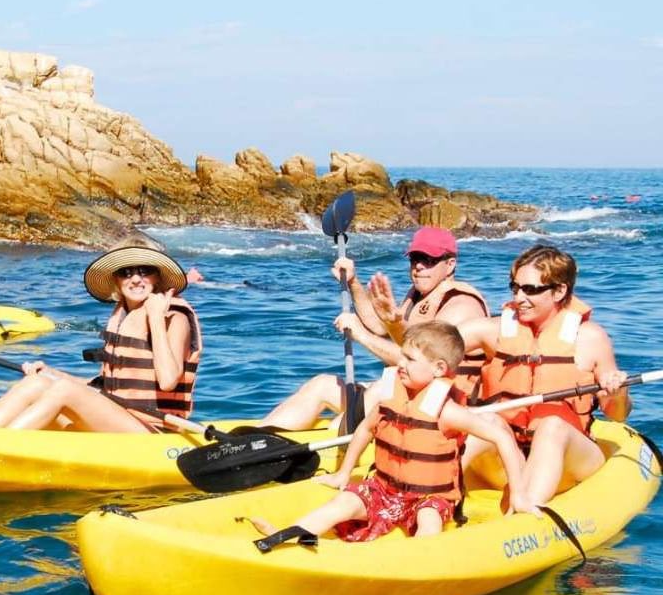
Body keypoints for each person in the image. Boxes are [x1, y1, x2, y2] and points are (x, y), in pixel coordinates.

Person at [248, 322, 525, 549]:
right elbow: (366, 429)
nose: (400, 363)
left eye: (410, 359)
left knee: (430, 521)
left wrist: (518, 494)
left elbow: (501, 438)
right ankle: (288, 536)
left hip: (428, 497)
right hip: (385, 489)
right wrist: (344, 473)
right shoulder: (390, 398)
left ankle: (414, 562)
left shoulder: (448, 412)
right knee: (343, 502)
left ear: (439, 369)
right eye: (402, 355)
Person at [259, 225, 489, 430]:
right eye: (415, 258)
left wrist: (361, 335)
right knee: (320, 386)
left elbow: (420, 363)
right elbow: (380, 326)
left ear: (450, 265)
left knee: (344, 421)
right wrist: (352, 282)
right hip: (409, 393)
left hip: (439, 407)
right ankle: (256, 440)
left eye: (429, 260)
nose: (419, 266)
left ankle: (329, 451)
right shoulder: (420, 295)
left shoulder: (461, 305)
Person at [458, 244, 630, 513]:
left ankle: (524, 518)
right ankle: (430, 499)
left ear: (559, 291)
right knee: (485, 419)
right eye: (515, 287)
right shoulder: (491, 331)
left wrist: (617, 393)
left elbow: (617, 414)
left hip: (567, 463)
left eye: (531, 289)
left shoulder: (590, 338)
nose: (519, 297)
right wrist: (393, 325)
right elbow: (430, 349)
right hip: (507, 461)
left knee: (553, 425)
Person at [0, 241, 201, 432]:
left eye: (144, 271)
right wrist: (54, 374)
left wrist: (156, 320)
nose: (135, 279)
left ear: (157, 277)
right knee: (37, 382)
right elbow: (106, 389)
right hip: (118, 417)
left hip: (153, 430)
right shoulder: (123, 314)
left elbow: (169, 381)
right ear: (116, 279)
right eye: (126, 272)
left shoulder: (174, 316)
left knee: (64, 391)